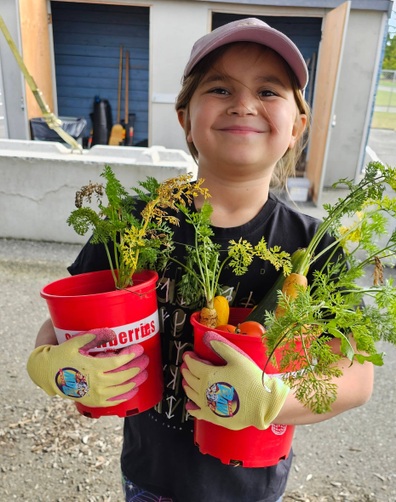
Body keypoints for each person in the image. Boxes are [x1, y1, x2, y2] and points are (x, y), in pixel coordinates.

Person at [27, 18, 374, 502]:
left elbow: (356, 377)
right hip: (149, 477)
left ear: (296, 126)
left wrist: (274, 399)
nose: (244, 103)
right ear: (185, 117)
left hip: (249, 482)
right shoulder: (134, 224)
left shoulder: (312, 246)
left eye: (269, 91)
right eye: (219, 87)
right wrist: (54, 368)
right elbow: (61, 329)